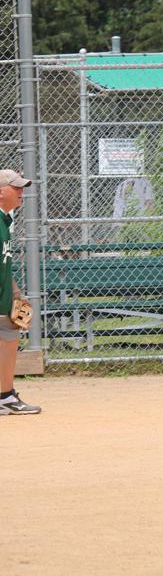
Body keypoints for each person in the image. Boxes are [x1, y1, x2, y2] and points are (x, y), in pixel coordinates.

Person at [0, 170, 40, 415]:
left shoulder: (5, 220)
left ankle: (5, 396)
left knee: (10, 339)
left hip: (4, 298)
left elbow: (5, 262)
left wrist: (15, 292)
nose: (21, 192)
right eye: (16, 187)